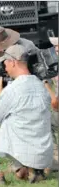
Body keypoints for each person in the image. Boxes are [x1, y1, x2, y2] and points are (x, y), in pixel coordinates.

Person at [0, 44, 53, 186]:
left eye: (5, 63)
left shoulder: (13, 89)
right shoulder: (41, 85)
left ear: (13, 62)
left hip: (21, 147)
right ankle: (30, 169)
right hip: (43, 153)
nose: (5, 68)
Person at [43, 36, 59, 173]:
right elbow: (45, 80)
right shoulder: (53, 64)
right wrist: (53, 96)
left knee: (46, 123)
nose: (57, 49)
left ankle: (55, 159)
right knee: (46, 121)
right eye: (55, 46)